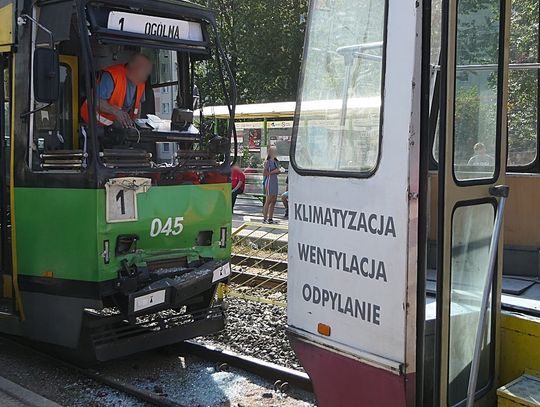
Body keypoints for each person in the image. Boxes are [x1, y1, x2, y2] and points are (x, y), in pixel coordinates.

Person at [81, 53, 153, 128]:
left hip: (117, 130)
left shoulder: (141, 83)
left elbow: (138, 106)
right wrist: (116, 111)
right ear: (133, 67)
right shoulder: (113, 76)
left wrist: (135, 125)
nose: (145, 76)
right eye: (143, 71)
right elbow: (93, 100)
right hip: (92, 126)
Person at [262, 146, 282, 224]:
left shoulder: (276, 162)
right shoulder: (267, 162)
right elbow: (264, 173)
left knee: (274, 201)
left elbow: (276, 172)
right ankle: (264, 218)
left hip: (275, 181)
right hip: (269, 182)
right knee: (268, 200)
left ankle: (270, 218)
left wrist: (278, 171)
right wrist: (273, 172)